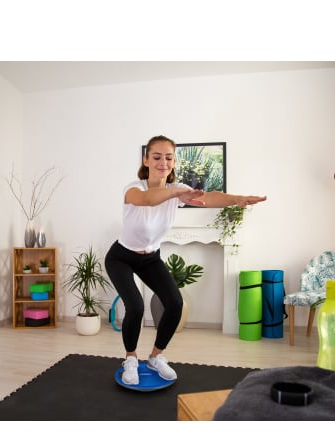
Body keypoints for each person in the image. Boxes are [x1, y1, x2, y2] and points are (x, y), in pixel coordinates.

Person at [105, 135, 267, 385]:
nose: (163, 162)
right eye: (157, 156)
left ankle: (156, 356)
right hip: (121, 257)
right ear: (146, 159)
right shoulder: (133, 189)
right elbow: (148, 200)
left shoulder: (176, 190)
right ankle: (131, 359)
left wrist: (236, 199)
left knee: (175, 303)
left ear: (174, 161)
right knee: (135, 306)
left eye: (168, 157)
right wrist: (177, 193)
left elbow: (209, 198)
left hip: (150, 258)